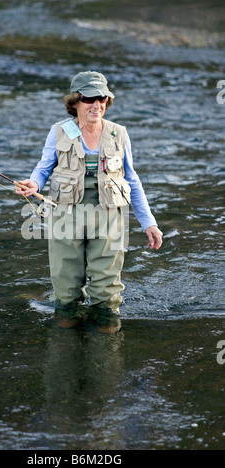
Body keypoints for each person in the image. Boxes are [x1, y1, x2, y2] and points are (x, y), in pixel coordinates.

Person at [16, 71, 163, 332]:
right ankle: (67, 350)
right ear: (75, 102)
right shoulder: (59, 131)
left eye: (103, 99)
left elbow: (132, 179)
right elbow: (43, 167)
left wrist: (148, 223)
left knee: (106, 295)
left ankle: (105, 350)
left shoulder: (119, 134)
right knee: (66, 291)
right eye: (89, 98)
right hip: (66, 216)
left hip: (109, 217)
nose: (97, 105)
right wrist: (33, 184)